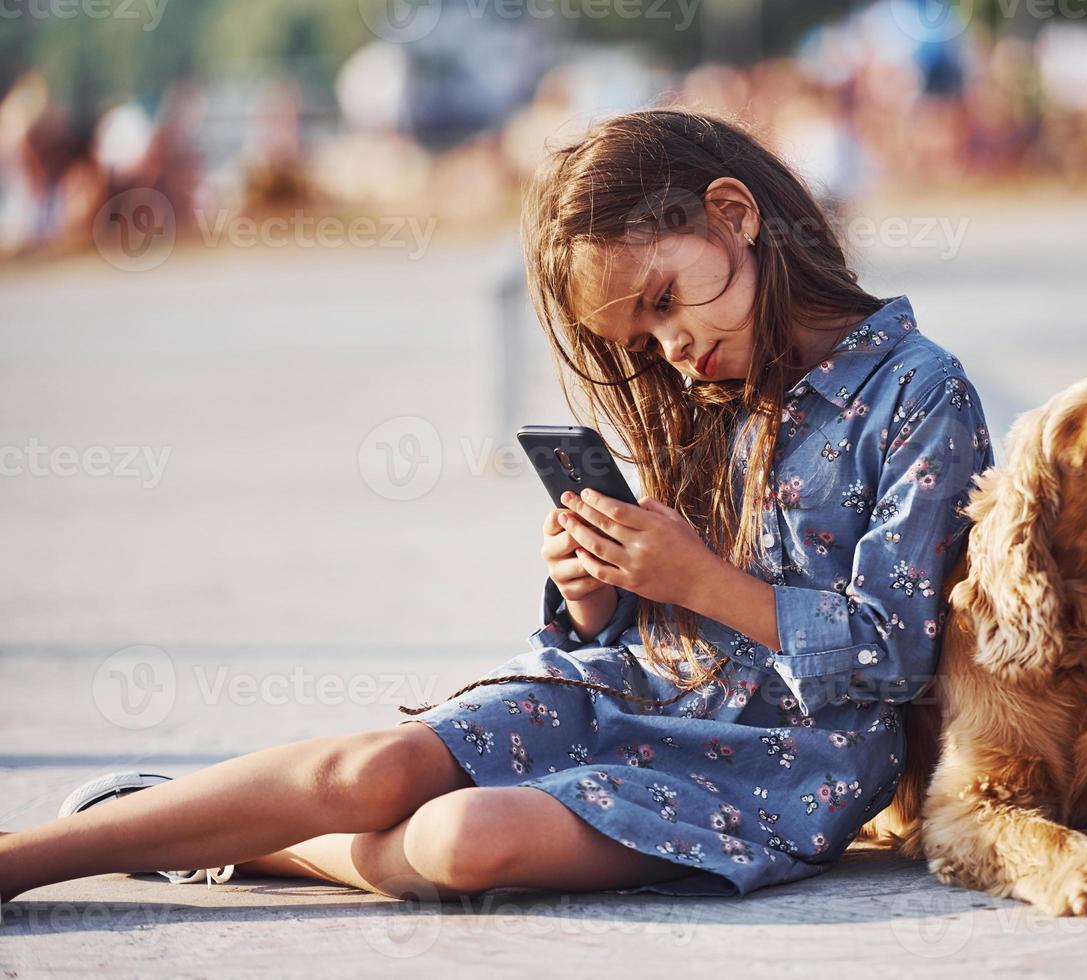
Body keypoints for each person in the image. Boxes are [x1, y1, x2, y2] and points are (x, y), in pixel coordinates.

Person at [0, 108, 993, 904]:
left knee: (462, 839)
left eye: (659, 300)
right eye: (640, 342)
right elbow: (655, 619)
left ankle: (246, 843)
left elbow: (896, 654)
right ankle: (38, 852)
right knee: (377, 771)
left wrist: (696, 576)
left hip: (783, 760)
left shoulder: (917, 388)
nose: (668, 350)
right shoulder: (710, 395)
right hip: (621, 685)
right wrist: (596, 589)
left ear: (730, 213)